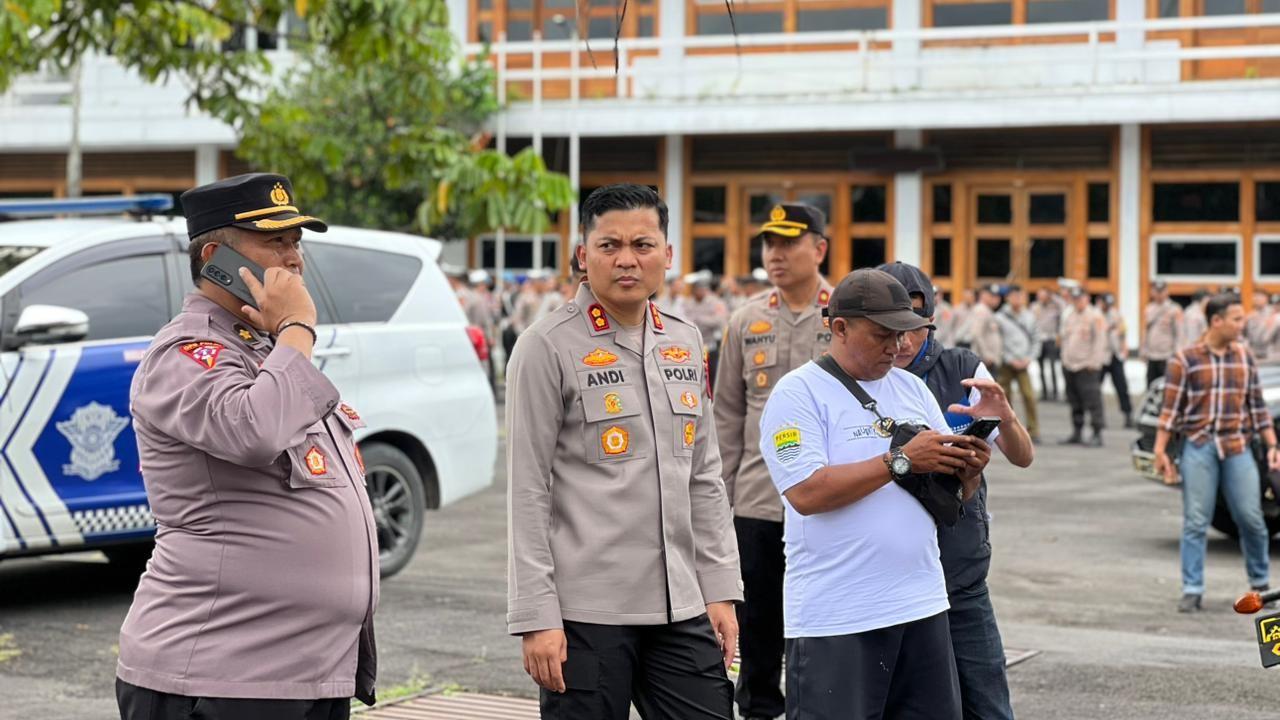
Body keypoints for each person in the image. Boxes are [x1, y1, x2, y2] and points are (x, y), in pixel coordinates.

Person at [115, 173, 378, 720]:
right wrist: (298, 328)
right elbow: (254, 431)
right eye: (274, 242)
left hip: (305, 673)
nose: (295, 259)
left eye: (296, 242)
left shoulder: (266, 349)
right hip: (221, 675)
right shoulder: (186, 352)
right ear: (217, 259)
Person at [506, 184, 742, 720]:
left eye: (643, 244)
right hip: (587, 612)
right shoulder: (547, 346)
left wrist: (721, 587)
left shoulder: (684, 340)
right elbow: (527, 488)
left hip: (681, 603)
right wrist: (536, 615)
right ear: (582, 255)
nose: (627, 259)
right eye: (609, 245)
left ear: (668, 254)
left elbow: (704, 476)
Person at [759, 268, 993, 720]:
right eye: (883, 334)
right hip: (838, 617)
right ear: (839, 327)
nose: (897, 346)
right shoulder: (798, 394)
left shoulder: (911, 388)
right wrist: (899, 460)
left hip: (922, 604)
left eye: (903, 334)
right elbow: (805, 492)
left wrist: (967, 473)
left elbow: (950, 495)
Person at [881, 262, 1033, 720]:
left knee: (987, 704)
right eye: (892, 328)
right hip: (888, 577)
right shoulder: (858, 376)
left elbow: (1022, 455)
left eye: (915, 327)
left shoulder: (961, 368)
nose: (904, 342)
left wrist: (1005, 416)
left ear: (932, 320)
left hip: (959, 570)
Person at [714, 203, 833, 720]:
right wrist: (717, 498)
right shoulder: (746, 320)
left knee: (823, 622)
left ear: (819, 248)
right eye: (769, 244)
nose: (775, 254)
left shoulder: (843, 316)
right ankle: (759, 710)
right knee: (758, 623)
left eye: (789, 242)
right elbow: (726, 416)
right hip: (758, 499)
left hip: (828, 498)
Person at [1153, 293, 1279, 613]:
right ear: (1216, 321)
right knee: (1196, 521)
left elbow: (1257, 407)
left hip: (1237, 446)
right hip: (1199, 446)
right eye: (1236, 319)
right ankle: (1192, 589)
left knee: (1251, 518)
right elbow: (1169, 411)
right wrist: (1160, 450)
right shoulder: (1185, 359)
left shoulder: (1244, 356)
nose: (1242, 325)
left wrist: (1272, 445)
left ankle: (1261, 585)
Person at [1059, 288, 1108, 447]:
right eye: (1075, 299)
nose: (1077, 302)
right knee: (1075, 401)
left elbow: (1100, 341)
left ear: (1087, 299)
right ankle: (1077, 431)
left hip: (1087, 366)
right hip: (1070, 365)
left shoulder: (1095, 316)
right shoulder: (1069, 315)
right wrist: (1064, 360)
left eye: (1080, 298)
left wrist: (1094, 363)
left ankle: (1097, 433)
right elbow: (1065, 339)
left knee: (1093, 401)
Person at [994, 284, 1041, 443]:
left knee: (1029, 396)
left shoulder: (1030, 317)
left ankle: (1033, 430)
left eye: (1020, 296)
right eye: (1014, 296)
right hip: (1006, 364)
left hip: (1023, 363)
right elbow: (998, 342)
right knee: (1004, 399)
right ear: (1008, 298)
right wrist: (1008, 358)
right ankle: (1008, 431)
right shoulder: (1000, 317)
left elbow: (1036, 339)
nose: (1018, 299)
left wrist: (1029, 358)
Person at [1097, 293, 1134, 428]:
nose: (1107, 307)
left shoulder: (1116, 315)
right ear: (1100, 302)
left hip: (1115, 355)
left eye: (1109, 304)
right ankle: (1098, 418)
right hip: (1100, 356)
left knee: (1122, 387)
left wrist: (1124, 347)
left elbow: (1123, 332)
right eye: (1105, 304)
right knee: (1095, 389)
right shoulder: (1095, 315)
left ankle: (1128, 415)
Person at [687, 273, 729, 389]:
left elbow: (720, 320)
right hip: (692, 345)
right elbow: (684, 320)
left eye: (702, 288)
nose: (700, 291)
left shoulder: (715, 302)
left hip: (710, 345)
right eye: (697, 289)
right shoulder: (688, 303)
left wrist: (700, 319)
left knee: (712, 377)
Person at [1141, 280, 1182, 389]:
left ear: (1167, 291)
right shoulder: (1149, 309)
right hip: (1152, 355)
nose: (1159, 294)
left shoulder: (1174, 309)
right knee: (1151, 387)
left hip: (1167, 355)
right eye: (1156, 291)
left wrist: (1177, 354)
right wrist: (1143, 349)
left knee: (1167, 387)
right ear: (1152, 292)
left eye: (1161, 291)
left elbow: (1179, 333)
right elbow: (1146, 331)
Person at [1033, 288, 1065, 401]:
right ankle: (1044, 392)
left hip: (1051, 339)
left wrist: (1053, 297)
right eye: (1039, 295)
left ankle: (1055, 392)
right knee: (1040, 368)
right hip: (1039, 340)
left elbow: (1063, 305)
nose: (1041, 297)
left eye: (1043, 295)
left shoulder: (1055, 306)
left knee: (1052, 367)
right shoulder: (1035, 307)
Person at [1245, 289, 1273, 361]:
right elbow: (1247, 335)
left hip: (1270, 353)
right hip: (1253, 353)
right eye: (1254, 296)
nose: (1255, 299)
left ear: (1266, 298)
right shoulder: (1250, 315)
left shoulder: (1273, 313)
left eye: (1258, 296)